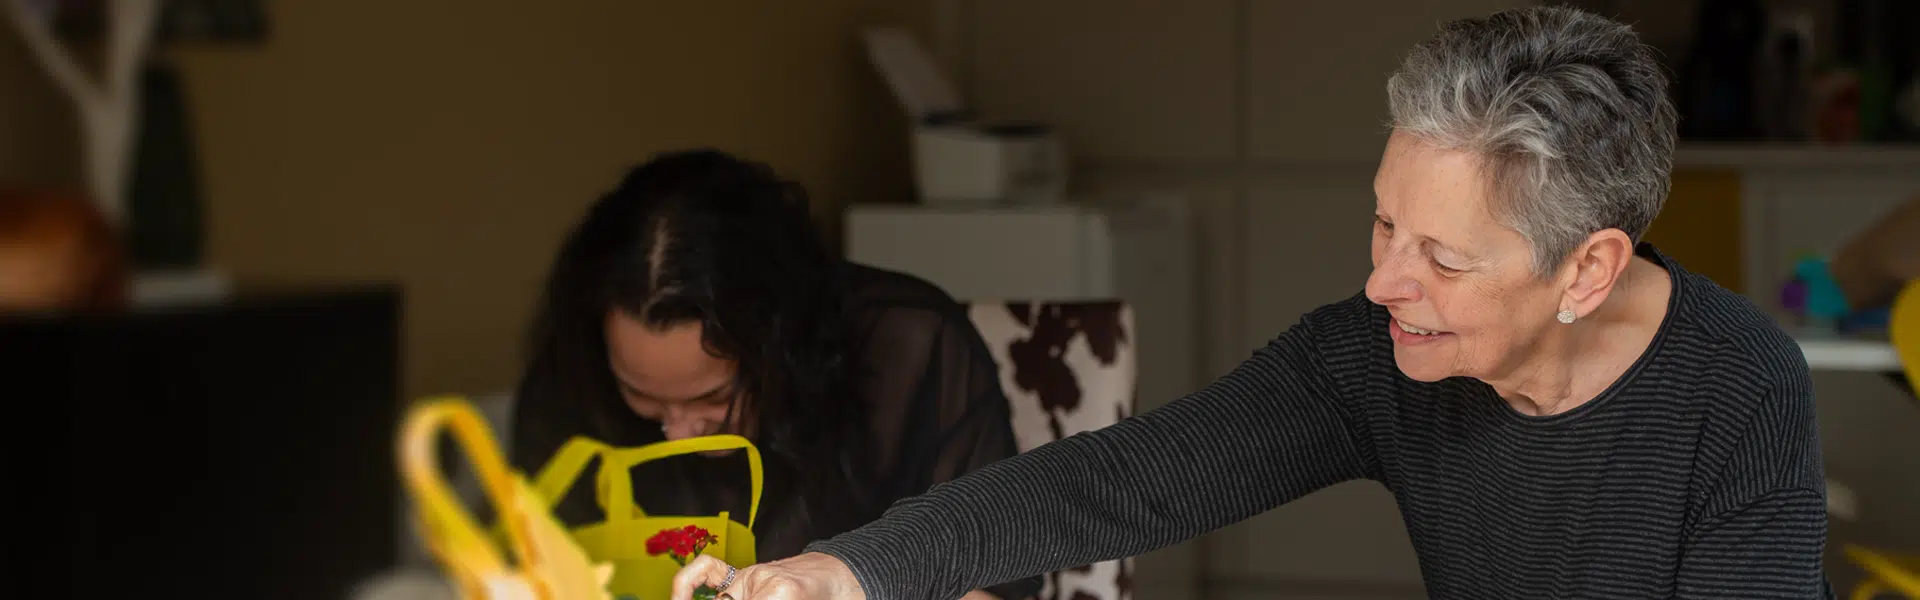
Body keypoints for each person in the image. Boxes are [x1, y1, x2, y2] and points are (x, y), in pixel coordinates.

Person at [669, 7, 1833, 600]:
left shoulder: (1738, 386)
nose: (1383, 282)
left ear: (1587, 270)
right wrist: (847, 572)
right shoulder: (1380, 354)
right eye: (1383, 223)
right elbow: (1130, 478)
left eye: (1442, 257)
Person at [508, 149, 1041, 600]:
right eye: (641, 395)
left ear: (779, 348)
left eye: (713, 398)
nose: (679, 433)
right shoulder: (574, 377)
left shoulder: (907, 349)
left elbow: (992, 584)